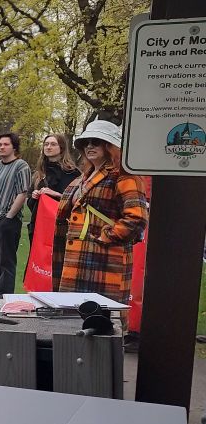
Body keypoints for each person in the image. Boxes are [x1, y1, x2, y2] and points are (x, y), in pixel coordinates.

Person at [52, 120, 148, 313]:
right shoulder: (82, 177)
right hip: (74, 262)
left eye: (96, 141)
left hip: (105, 262)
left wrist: (105, 237)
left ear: (109, 146)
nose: (89, 146)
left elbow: (137, 218)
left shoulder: (124, 175)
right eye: (85, 142)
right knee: (71, 320)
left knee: (103, 321)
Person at [0, 132, 32, 299]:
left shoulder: (21, 166)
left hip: (8, 220)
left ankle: (5, 297)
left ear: (14, 147)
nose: (2, 147)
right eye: (0, 144)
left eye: (6, 144)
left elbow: (22, 193)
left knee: (6, 261)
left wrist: (9, 217)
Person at [27, 133, 80, 244]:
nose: (48, 147)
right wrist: (34, 196)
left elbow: (78, 202)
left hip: (61, 228)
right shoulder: (39, 174)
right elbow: (30, 204)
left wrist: (57, 194)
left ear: (61, 148)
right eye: (46, 144)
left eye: (53, 144)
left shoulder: (73, 173)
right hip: (39, 227)